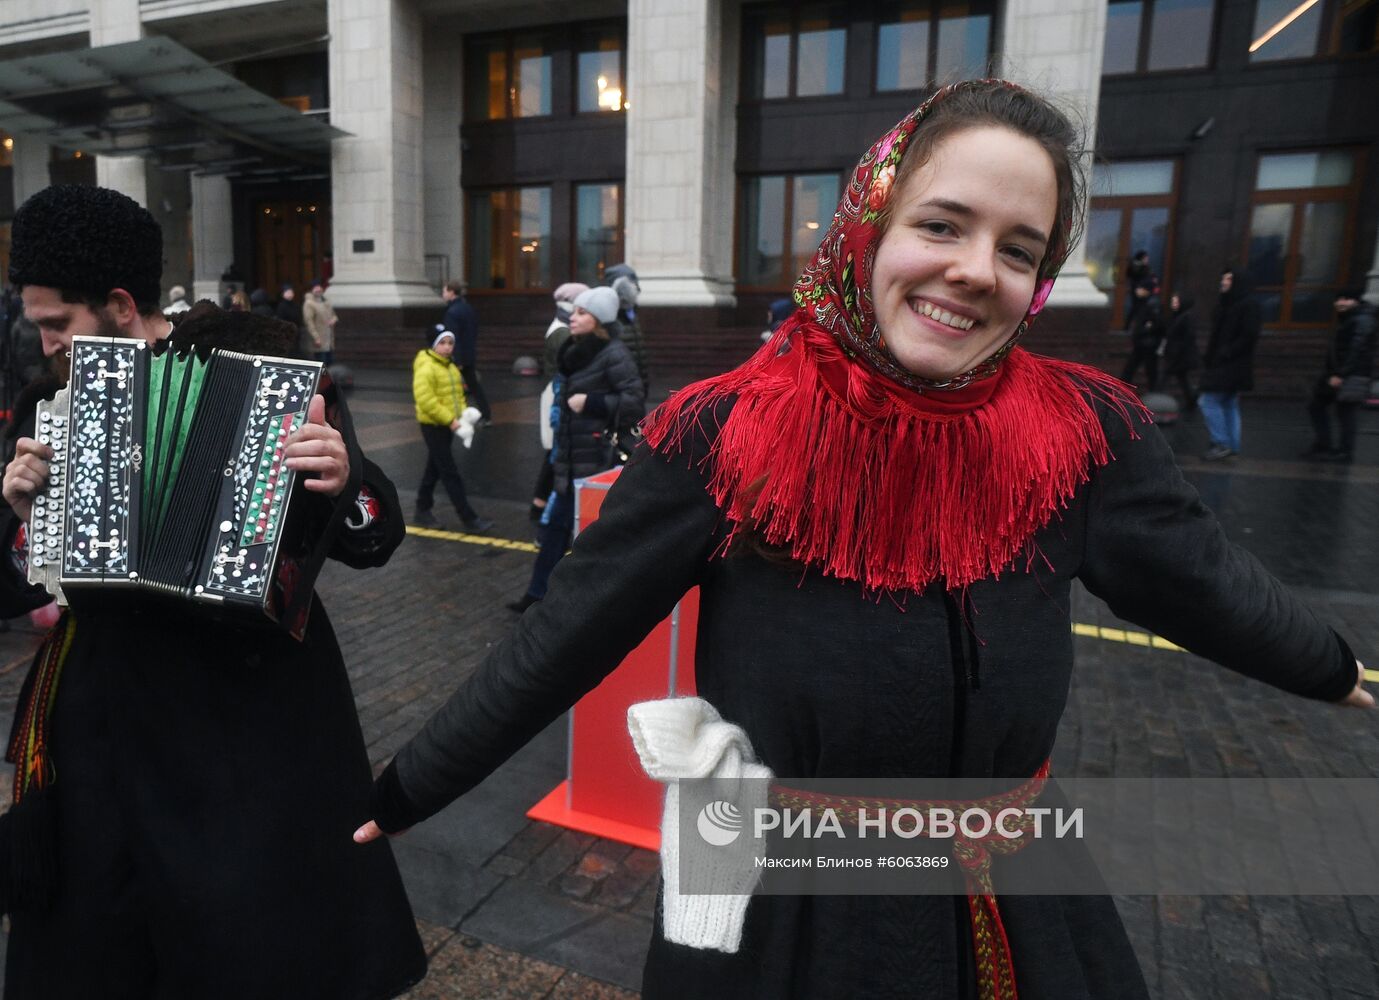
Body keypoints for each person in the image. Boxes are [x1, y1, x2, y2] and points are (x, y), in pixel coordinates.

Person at [356, 81, 1369, 999]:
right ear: (868, 227)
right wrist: (409, 788)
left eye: (1018, 249)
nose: (975, 271)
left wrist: (1330, 667)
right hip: (779, 907)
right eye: (941, 224)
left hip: (1010, 892)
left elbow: (1198, 582)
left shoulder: (1083, 432)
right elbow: (566, 633)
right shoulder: (727, 428)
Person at [0, 185, 425, 998]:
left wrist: (343, 478)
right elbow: (24, 582)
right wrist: (19, 512)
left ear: (120, 305)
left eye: (58, 322)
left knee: (245, 936)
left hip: (245, 712)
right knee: (103, 932)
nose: (46, 341)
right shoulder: (47, 403)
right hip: (110, 712)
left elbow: (375, 537)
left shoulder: (260, 365)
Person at [505, 284, 643, 613]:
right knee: (555, 529)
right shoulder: (573, 348)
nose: (573, 316)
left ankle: (584, 603)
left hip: (596, 458)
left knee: (587, 534)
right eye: (575, 311)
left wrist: (592, 402)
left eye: (582, 312)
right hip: (568, 457)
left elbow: (634, 400)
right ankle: (536, 595)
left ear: (599, 320)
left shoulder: (614, 354)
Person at [412, 328, 493, 533]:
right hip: (433, 425)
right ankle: (468, 518)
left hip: (447, 425)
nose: (447, 347)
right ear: (433, 345)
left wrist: (465, 414)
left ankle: (422, 508)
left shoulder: (450, 367)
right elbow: (426, 400)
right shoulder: (427, 367)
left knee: (435, 468)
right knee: (449, 472)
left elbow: (458, 397)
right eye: (443, 342)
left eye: (450, 342)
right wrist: (451, 420)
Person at [530, 282, 589, 523]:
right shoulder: (563, 332)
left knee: (555, 451)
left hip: (556, 393)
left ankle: (540, 503)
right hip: (557, 395)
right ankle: (540, 506)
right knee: (555, 451)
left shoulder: (561, 326)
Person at [1302, 288, 1376, 464]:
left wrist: (1341, 374)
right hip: (1339, 373)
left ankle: (1343, 451)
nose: (1340, 303)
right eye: (1338, 299)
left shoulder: (1362, 320)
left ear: (1355, 301)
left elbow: (1356, 349)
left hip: (1350, 375)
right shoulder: (1352, 319)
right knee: (1318, 406)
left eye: (1345, 299)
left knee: (1345, 412)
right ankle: (1326, 445)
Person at [1198, 268, 1261, 460]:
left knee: (1208, 401)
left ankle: (1221, 442)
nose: (1224, 282)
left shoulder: (1247, 305)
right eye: (1223, 277)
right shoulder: (1228, 304)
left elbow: (1248, 335)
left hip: (1230, 364)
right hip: (1228, 363)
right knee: (1228, 403)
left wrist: (1226, 352)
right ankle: (1231, 444)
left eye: (1229, 279)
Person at [439, 280, 491, 423]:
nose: (443, 294)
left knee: (449, 386)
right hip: (469, 353)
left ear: (451, 292)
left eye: (444, 291)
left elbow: (453, 338)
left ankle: (452, 415)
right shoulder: (468, 308)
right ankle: (486, 414)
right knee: (474, 386)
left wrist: (456, 358)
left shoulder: (452, 312)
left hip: (458, 356)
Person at [604, 262, 649, 390]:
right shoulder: (609, 317)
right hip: (621, 390)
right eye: (630, 285)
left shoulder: (631, 312)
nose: (634, 289)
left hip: (636, 387)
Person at [1159, 291, 1200, 411]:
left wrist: (1177, 351)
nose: (1174, 304)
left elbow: (1187, 337)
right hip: (1177, 354)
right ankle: (1192, 400)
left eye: (1176, 301)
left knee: (1166, 377)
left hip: (1179, 355)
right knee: (1182, 379)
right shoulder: (1178, 315)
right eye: (1173, 301)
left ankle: (1156, 398)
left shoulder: (1185, 317)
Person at [303, 278, 339, 365]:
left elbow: (334, 315)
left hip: (329, 339)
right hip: (319, 340)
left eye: (319, 287)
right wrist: (316, 338)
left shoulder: (325, 301)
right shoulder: (309, 303)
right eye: (315, 287)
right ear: (312, 290)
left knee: (330, 363)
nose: (318, 289)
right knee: (322, 365)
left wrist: (333, 320)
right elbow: (309, 322)